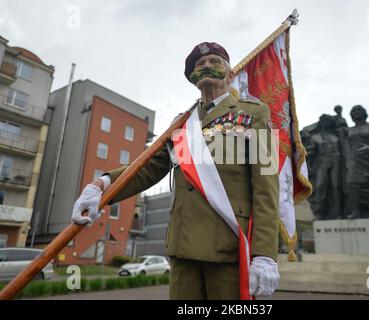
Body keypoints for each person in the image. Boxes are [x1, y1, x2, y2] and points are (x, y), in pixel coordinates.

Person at [71, 42, 280, 299]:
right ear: (193, 78)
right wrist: (101, 185)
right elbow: (148, 168)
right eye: (200, 65)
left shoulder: (254, 113)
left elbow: (266, 187)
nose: (206, 66)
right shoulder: (182, 123)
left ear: (230, 74)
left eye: (215, 62)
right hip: (182, 248)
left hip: (230, 247)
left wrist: (265, 254)